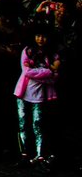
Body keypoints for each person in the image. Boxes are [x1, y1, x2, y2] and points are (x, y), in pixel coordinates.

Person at [13, 26, 59, 166]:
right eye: (38, 36)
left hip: (41, 95)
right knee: (22, 124)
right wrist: (48, 70)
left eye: (43, 36)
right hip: (23, 93)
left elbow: (55, 76)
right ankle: (25, 154)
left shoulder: (53, 54)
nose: (40, 39)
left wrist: (41, 73)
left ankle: (39, 154)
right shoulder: (27, 51)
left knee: (37, 124)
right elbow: (27, 71)